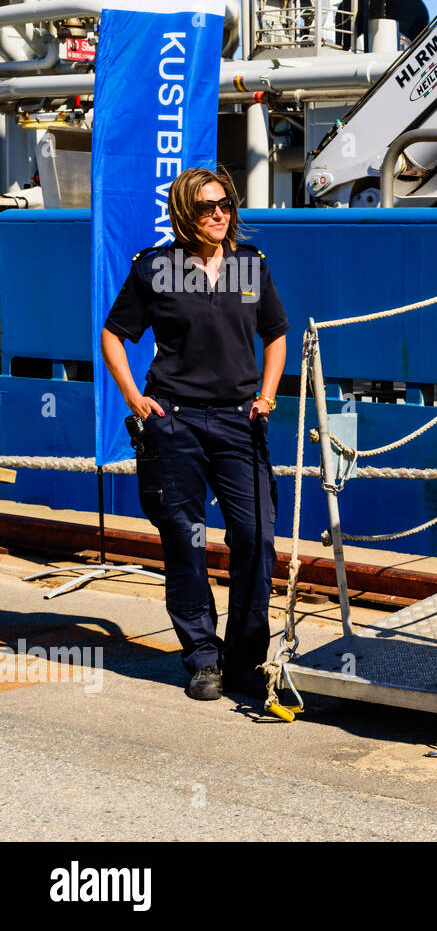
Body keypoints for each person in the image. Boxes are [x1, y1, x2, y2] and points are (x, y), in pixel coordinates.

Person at [101, 167, 289, 702]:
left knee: (256, 537)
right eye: (207, 206)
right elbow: (113, 336)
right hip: (175, 421)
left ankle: (246, 659)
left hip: (239, 420)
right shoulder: (156, 269)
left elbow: (274, 334)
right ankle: (203, 658)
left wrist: (267, 396)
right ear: (185, 213)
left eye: (225, 203)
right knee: (186, 543)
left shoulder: (250, 267)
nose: (219, 213)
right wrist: (136, 399)